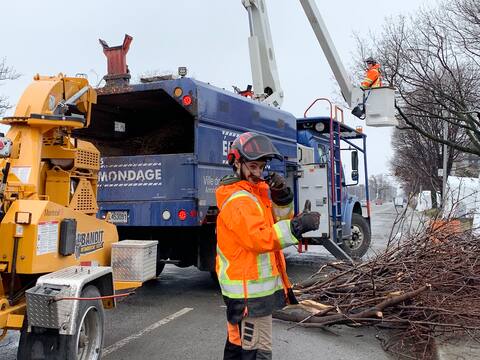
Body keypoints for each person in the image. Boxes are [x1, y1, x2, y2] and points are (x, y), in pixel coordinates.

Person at [216, 132, 320, 360]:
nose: (258, 173)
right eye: (252, 166)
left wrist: (282, 197)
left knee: (238, 349)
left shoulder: (253, 195)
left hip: (247, 294)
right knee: (256, 352)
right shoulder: (239, 200)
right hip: (249, 296)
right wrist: (296, 227)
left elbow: (276, 222)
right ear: (237, 164)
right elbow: (259, 238)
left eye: (261, 167)